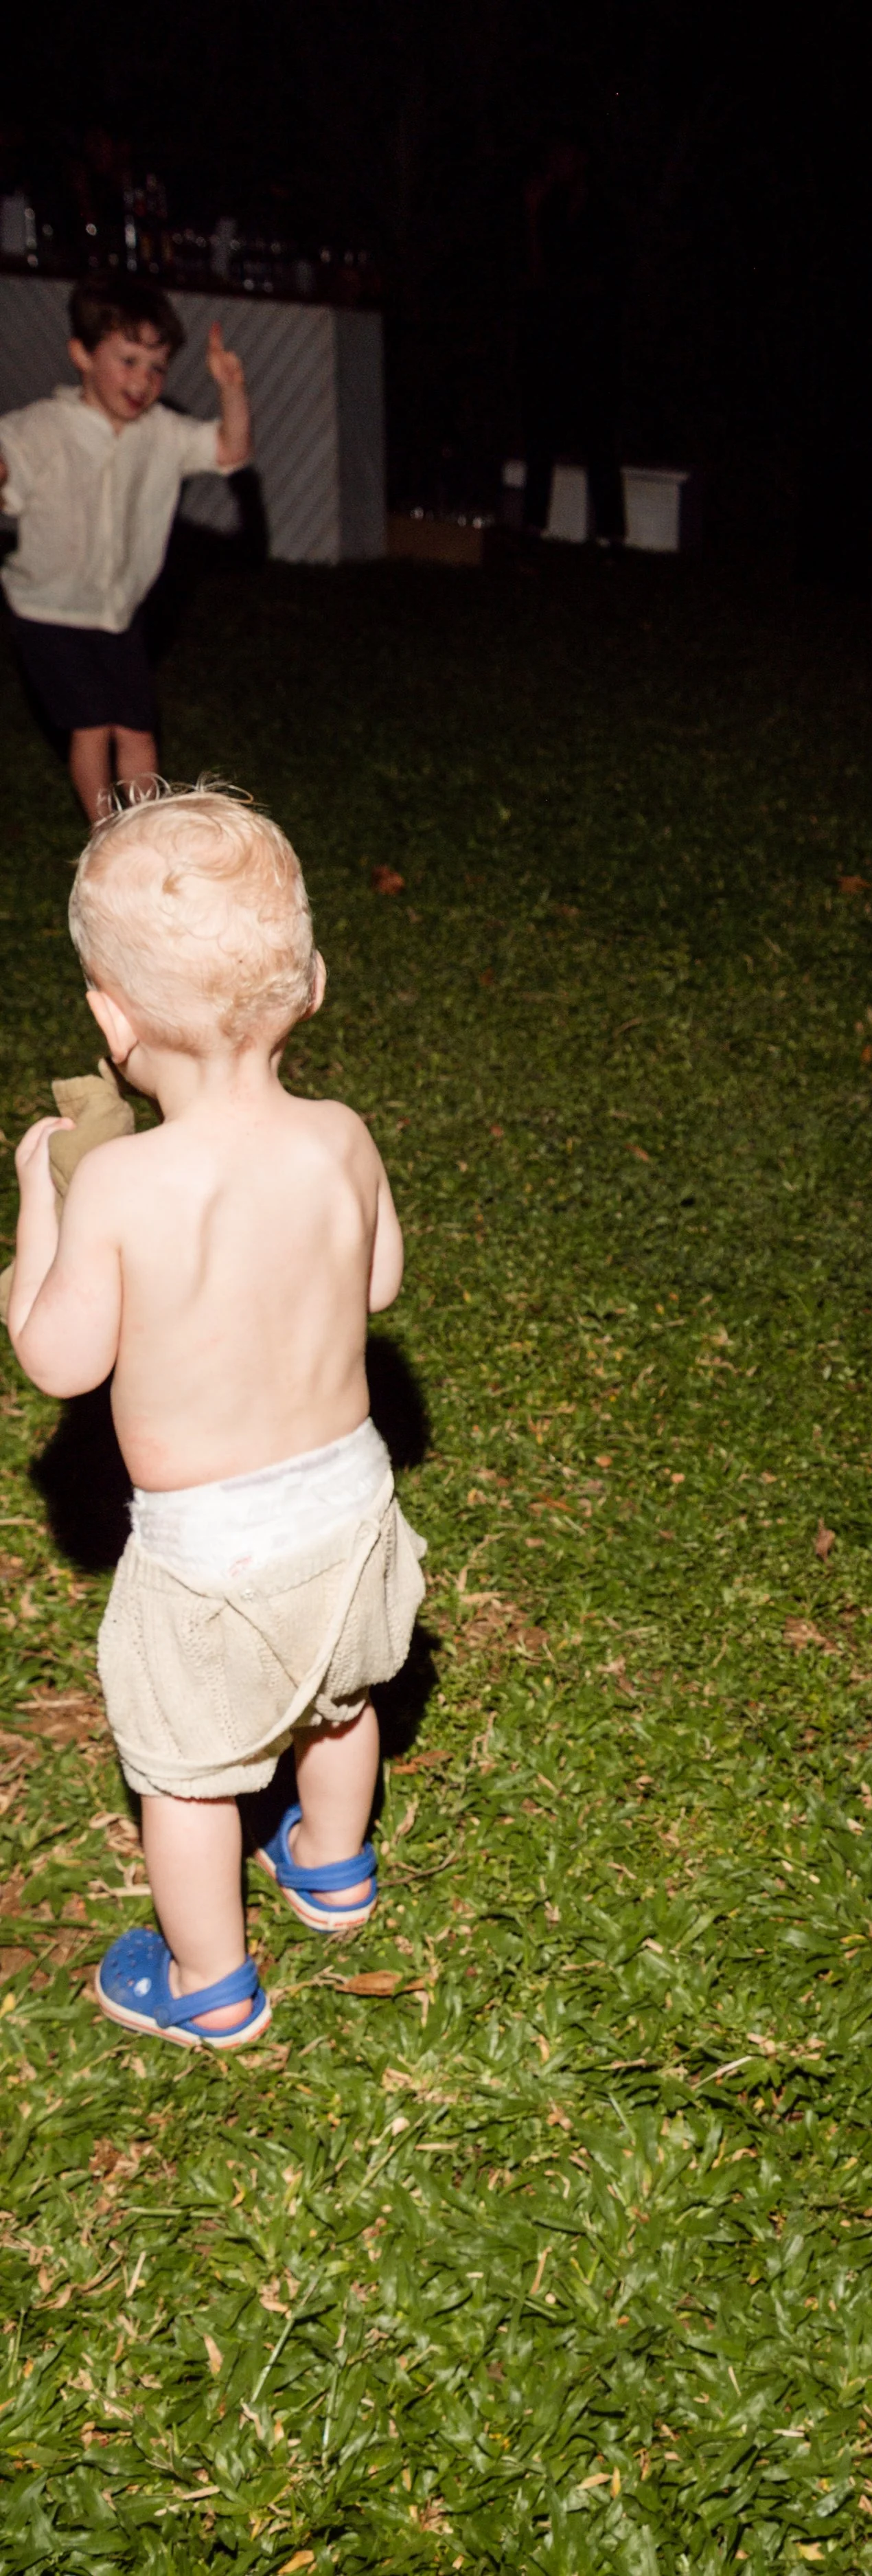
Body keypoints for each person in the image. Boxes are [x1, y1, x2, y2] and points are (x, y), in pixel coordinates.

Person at [6, 783, 425, 2049]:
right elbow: (379, 1282)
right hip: (351, 1516)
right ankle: (336, 1867)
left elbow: (58, 1358)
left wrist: (41, 1205)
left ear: (110, 1017)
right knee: (340, 1703)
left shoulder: (121, 1184)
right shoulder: (341, 1138)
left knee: (187, 1775)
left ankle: (209, 1983)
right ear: (310, 989)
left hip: (211, 1560)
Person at [0, 278, 251, 822]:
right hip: (51, 610)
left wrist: (230, 390)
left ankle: (145, 834)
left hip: (117, 612)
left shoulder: (160, 432)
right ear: (82, 355)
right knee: (91, 726)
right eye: (129, 360)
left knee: (138, 728)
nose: (143, 380)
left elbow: (231, 449)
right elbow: (6, 461)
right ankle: (106, 837)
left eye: (156, 367)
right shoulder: (44, 427)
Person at [520, 136, 627, 545]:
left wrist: (565, 289)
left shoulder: (606, 211)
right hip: (552, 338)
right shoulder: (549, 210)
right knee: (541, 434)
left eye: (563, 155)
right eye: (552, 156)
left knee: (599, 437)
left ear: (582, 159)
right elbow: (536, 273)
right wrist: (531, 215)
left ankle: (612, 533)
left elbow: (606, 279)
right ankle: (533, 525)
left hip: (594, 341)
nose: (555, 163)